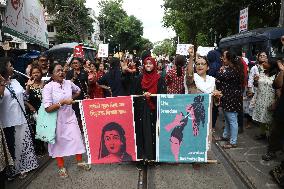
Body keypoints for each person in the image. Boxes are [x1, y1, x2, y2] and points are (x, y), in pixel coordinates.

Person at [42, 63, 91, 178]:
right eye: (57, 71)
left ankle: (79, 161)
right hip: (56, 119)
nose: (61, 73)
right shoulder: (48, 87)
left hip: (70, 116)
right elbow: (48, 108)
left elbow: (78, 91)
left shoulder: (68, 83)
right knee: (58, 143)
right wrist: (63, 102)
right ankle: (61, 167)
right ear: (52, 74)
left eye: (62, 70)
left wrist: (71, 99)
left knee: (77, 138)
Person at [0, 57, 39, 180]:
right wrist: (2, 84)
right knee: (12, 147)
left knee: (21, 144)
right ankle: (13, 170)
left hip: (21, 117)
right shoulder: (1, 83)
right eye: (10, 65)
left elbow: (24, 97)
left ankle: (24, 167)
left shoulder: (15, 81)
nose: (12, 68)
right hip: (7, 120)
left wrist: (28, 87)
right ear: (4, 68)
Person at [131, 56, 166, 161]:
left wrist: (152, 96)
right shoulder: (139, 78)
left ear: (154, 65)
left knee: (154, 132)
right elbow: (135, 92)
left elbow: (163, 94)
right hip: (142, 111)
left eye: (150, 64)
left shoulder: (159, 79)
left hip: (154, 110)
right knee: (142, 132)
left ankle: (154, 156)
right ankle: (143, 156)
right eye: (146, 64)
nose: (148, 65)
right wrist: (143, 95)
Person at [215, 50, 244, 149]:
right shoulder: (234, 69)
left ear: (228, 59)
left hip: (231, 98)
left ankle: (233, 141)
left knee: (232, 120)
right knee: (228, 119)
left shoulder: (232, 70)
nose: (222, 58)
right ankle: (225, 136)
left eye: (223, 57)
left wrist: (220, 71)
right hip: (229, 97)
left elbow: (219, 76)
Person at [262, 59, 284, 161]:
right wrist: (283, 71)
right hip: (282, 106)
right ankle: (272, 151)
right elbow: (277, 85)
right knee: (276, 130)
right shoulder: (281, 71)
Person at [25, 65, 46, 155]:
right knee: (36, 129)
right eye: (33, 73)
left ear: (41, 73)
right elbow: (24, 98)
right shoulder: (28, 84)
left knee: (44, 128)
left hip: (44, 110)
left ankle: (45, 146)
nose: (36, 74)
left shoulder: (44, 83)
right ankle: (39, 148)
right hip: (33, 111)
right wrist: (28, 86)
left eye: (37, 72)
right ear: (31, 74)